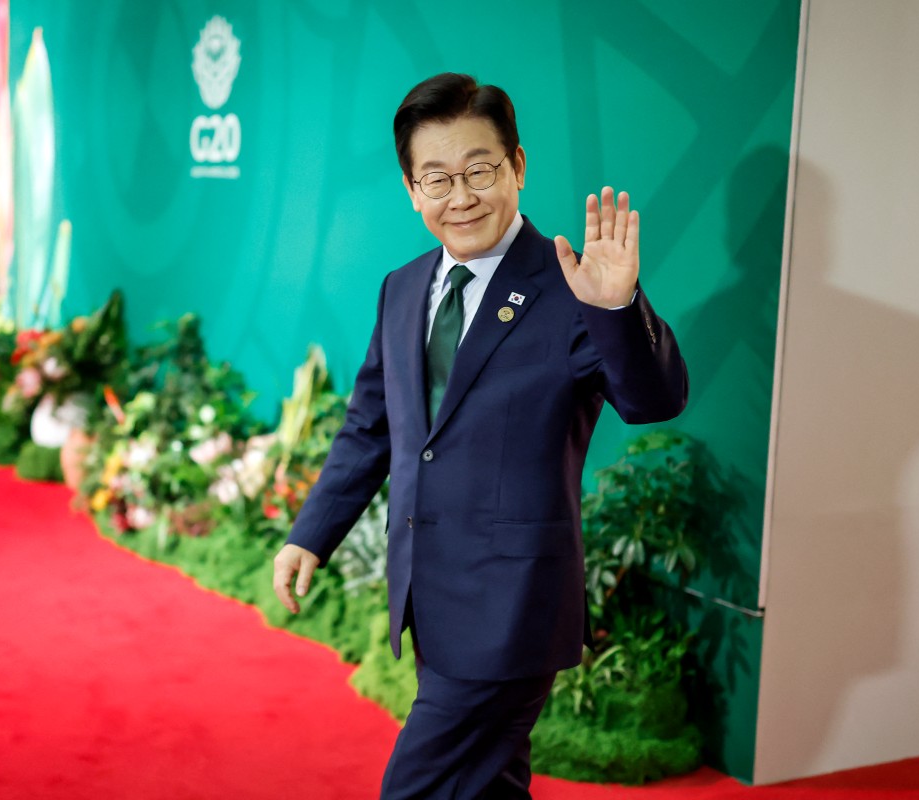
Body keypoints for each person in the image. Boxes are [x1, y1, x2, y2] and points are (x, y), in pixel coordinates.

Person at [272, 72, 688, 799]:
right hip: (428, 599)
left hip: (510, 608)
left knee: (420, 788)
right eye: (436, 178)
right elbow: (371, 428)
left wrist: (617, 306)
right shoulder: (403, 287)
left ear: (517, 168)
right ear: (411, 189)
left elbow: (653, 400)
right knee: (488, 786)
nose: (459, 197)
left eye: (478, 171)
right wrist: (311, 534)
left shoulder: (574, 287)